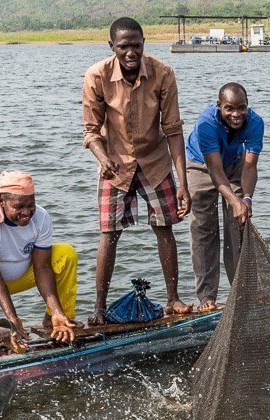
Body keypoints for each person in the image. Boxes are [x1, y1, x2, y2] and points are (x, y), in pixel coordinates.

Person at [82, 16, 194, 326]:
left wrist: (183, 183)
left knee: (165, 228)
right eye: (124, 47)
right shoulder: (97, 76)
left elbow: (172, 130)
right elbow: (91, 131)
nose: (131, 53)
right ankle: (99, 307)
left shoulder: (163, 73)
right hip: (115, 164)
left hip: (155, 162)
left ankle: (173, 298)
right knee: (109, 233)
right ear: (112, 47)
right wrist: (102, 159)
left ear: (144, 45)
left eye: (137, 46)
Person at [0, 171, 79, 353]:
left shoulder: (42, 217)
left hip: (24, 273)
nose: (26, 212)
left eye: (31, 205)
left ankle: (57, 318)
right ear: (0, 201)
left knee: (66, 254)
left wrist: (56, 310)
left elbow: (43, 267)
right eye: (19, 206)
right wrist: (13, 319)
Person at [186, 82, 264, 313]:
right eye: (229, 108)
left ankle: (243, 292)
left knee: (239, 225)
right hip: (201, 164)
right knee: (203, 229)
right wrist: (233, 201)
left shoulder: (256, 122)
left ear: (247, 106)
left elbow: (249, 167)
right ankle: (207, 297)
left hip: (234, 163)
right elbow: (214, 170)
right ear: (219, 105)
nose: (236, 114)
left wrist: (246, 200)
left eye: (241, 108)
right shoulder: (206, 123)